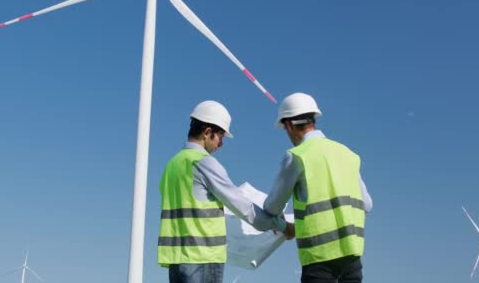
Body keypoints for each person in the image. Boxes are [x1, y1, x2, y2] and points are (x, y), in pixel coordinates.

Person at [158, 100, 290, 283]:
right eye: (220, 136)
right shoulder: (203, 163)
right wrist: (281, 226)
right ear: (207, 132)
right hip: (202, 258)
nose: (221, 144)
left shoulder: (172, 166)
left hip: (176, 261)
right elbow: (243, 206)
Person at [263, 92, 373, 283]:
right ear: (313, 119)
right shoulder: (347, 154)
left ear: (288, 125)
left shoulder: (297, 156)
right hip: (352, 257)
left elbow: (272, 207)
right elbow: (367, 205)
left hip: (319, 260)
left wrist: (282, 223)